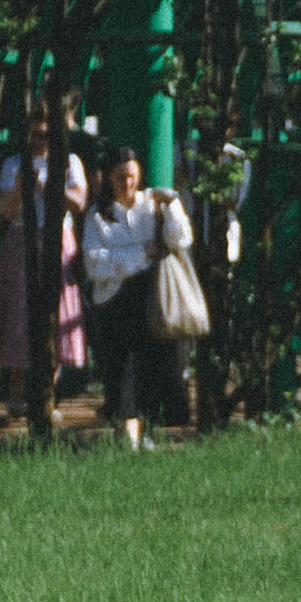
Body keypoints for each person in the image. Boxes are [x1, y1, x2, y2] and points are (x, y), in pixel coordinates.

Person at [80, 145, 193, 447]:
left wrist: (172, 203)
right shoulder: (98, 216)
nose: (127, 184)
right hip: (114, 307)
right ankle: (127, 436)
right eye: (119, 177)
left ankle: (152, 433)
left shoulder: (152, 206)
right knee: (120, 375)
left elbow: (180, 239)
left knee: (157, 369)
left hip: (151, 302)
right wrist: (141, 253)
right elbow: (94, 264)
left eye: (131, 176)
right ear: (109, 178)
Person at [0, 103, 88, 403]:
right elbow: (6, 211)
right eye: (35, 134)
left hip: (57, 239)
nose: (39, 141)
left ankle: (46, 394)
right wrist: (22, 185)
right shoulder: (13, 164)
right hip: (21, 238)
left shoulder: (69, 163)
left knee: (57, 314)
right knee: (19, 311)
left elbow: (79, 202)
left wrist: (47, 184)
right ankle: (16, 392)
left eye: (46, 134)